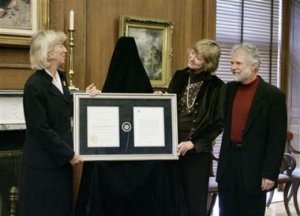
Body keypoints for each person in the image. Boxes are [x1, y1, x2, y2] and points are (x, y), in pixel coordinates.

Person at [20, 30, 99, 216]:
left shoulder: (60, 78)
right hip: (43, 166)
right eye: (60, 47)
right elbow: (41, 129)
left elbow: (66, 107)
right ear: (49, 53)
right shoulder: (34, 86)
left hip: (60, 162)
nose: (65, 50)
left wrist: (85, 97)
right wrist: (69, 153)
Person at [216, 43, 287, 216]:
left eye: (238, 63)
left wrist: (270, 173)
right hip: (228, 164)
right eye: (232, 63)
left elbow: (276, 139)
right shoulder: (229, 89)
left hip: (254, 167)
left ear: (253, 65)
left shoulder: (273, 95)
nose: (233, 67)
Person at [167, 39, 226, 216]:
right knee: (172, 198)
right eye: (192, 53)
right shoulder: (179, 76)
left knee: (194, 202)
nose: (192, 58)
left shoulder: (217, 86)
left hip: (197, 153)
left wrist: (193, 143)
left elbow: (218, 124)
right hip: (171, 148)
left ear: (209, 63)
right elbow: (169, 107)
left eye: (198, 57)